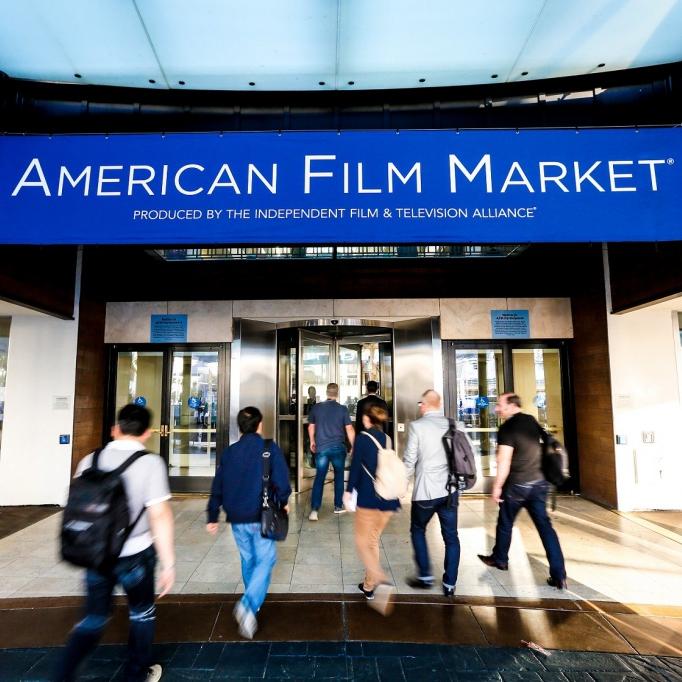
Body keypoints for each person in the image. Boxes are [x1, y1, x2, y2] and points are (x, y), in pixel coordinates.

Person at [54, 404, 175, 682]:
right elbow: (160, 515)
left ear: (115, 429)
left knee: (93, 617)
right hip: (135, 554)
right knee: (141, 613)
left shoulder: (90, 460)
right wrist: (168, 564)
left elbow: (74, 503)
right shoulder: (150, 463)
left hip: (96, 553)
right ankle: (137, 674)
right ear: (147, 433)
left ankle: (63, 675)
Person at [206, 406, 291, 639]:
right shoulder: (269, 449)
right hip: (261, 515)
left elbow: (218, 484)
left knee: (248, 559)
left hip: (236, 517)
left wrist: (212, 515)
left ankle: (251, 609)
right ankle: (248, 605)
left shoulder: (229, 452)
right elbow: (282, 481)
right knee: (266, 559)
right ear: (260, 424)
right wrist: (284, 501)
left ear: (240, 427)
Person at [478, 393, 567, 589]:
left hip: (517, 485)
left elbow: (504, 460)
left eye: (500, 405)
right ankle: (559, 575)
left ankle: (500, 559)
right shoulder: (531, 420)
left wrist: (497, 486)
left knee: (505, 522)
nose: (496, 408)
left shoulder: (507, 428)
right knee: (546, 528)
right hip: (539, 483)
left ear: (511, 406)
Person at [403, 389, 465, 597]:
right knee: (451, 537)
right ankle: (449, 584)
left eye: (421, 403)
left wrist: (402, 485)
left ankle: (425, 576)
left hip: (426, 491)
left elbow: (410, 459)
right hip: (450, 489)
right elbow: (465, 456)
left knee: (418, 529)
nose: (420, 406)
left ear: (426, 404)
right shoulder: (455, 425)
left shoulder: (418, 426)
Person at [344, 405, 399, 615]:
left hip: (369, 498)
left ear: (367, 419)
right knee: (373, 540)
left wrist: (348, 492)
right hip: (388, 498)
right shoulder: (387, 439)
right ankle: (368, 586)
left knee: (362, 543)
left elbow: (356, 467)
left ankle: (380, 580)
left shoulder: (362, 439)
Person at [307, 382, 355, 520]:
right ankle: (338, 506)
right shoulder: (342, 409)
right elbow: (349, 429)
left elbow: (311, 427)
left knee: (319, 477)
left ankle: (314, 510)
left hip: (321, 448)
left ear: (326, 392)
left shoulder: (317, 408)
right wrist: (354, 445)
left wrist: (312, 441)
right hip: (338, 447)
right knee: (339, 476)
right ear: (337, 393)